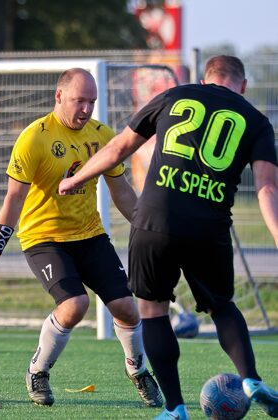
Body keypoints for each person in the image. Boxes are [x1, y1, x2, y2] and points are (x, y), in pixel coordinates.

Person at [59, 55, 278, 419]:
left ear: (205, 80)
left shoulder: (175, 95)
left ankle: (175, 408)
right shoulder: (255, 120)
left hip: (154, 219)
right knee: (222, 306)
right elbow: (267, 189)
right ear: (242, 85)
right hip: (208, 226)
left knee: (152, 310)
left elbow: (118, 148)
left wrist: (76, 178)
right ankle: (251, 379)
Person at [0, 68, 162, 408]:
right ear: (59, 96)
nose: (86, 109)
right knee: (75, 305)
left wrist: (148, 229)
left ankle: (138, 372)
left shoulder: (102, 136)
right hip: (43, 238)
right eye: (79, 101)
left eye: (92, 102)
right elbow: (14, 198)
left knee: (126, 308)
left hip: (90, 235)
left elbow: (121, 191)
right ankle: (38, 371)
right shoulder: (34, 138)